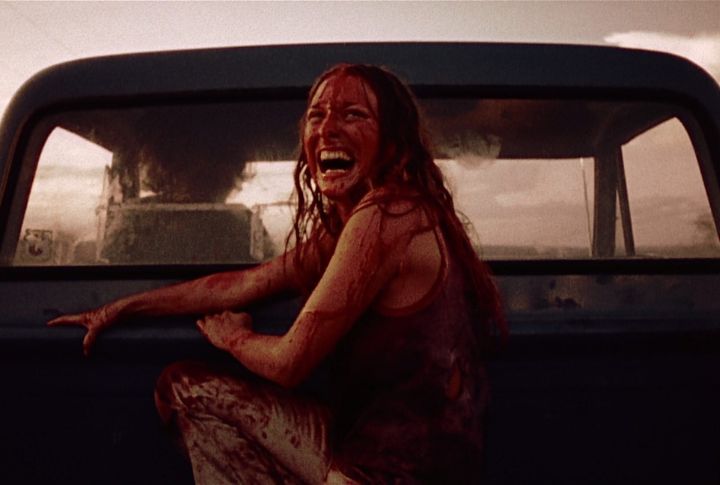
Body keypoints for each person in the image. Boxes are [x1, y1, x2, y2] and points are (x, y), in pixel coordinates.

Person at [49, 64, 505, 484]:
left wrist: (235, 338)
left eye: (353, 114)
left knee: (184, 389)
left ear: (391, 142)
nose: (328, 129)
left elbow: (289, 363)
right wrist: (122, 307)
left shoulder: (385, 216)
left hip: (392, 475)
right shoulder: (362, 225)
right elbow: (244, 284)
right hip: (387, 451)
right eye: (317, 115)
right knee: (182, 385)